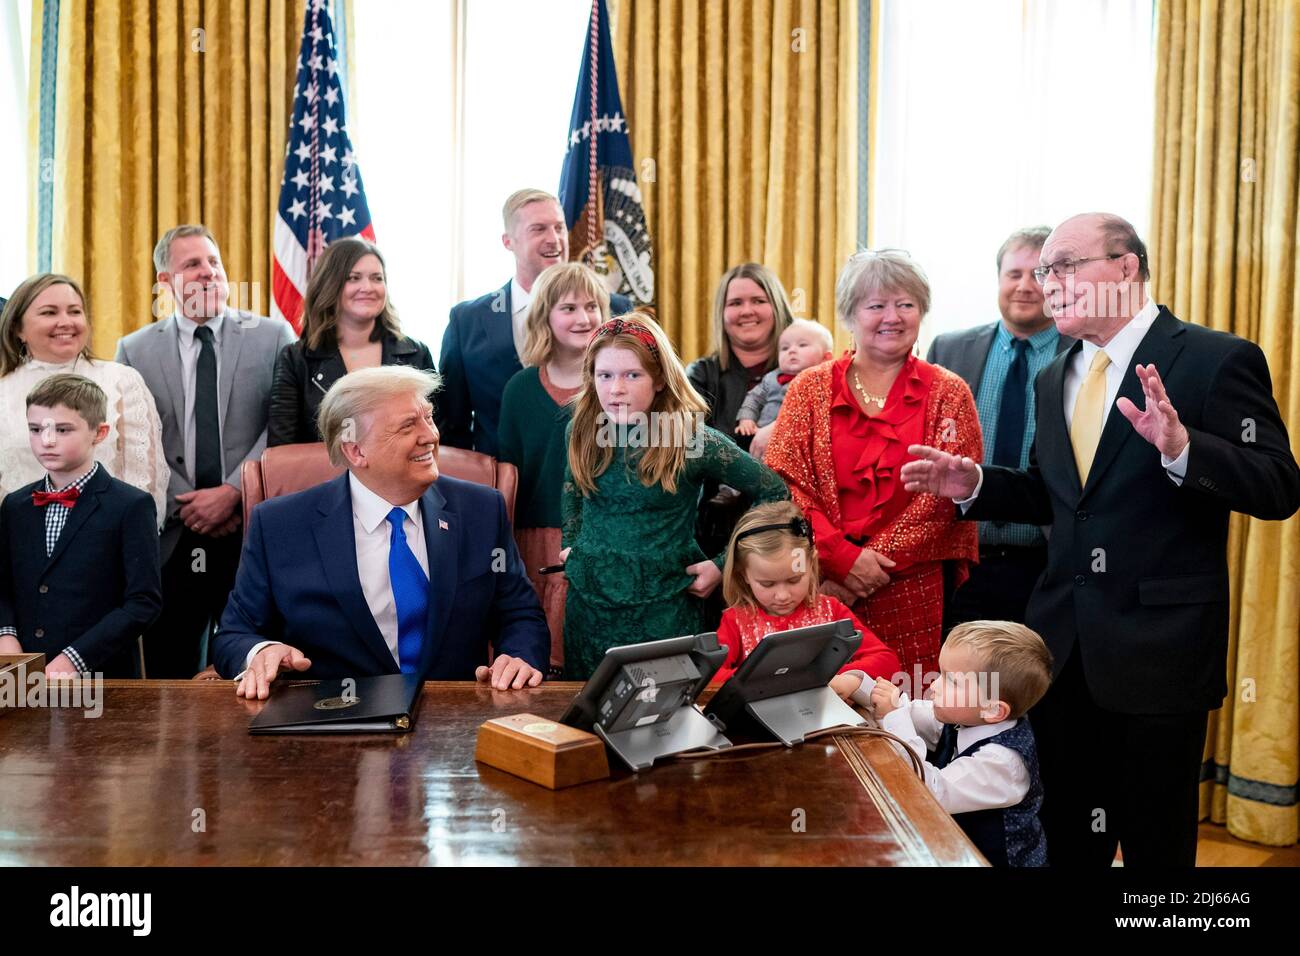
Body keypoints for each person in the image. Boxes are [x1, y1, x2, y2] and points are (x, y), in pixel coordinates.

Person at [901, 212, 1300, 867]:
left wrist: (1183, 449)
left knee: (1155, 843)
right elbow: (1053, 495)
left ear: (1126, 268)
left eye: (1064, 266)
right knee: (1067, 833)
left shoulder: (1212, 358)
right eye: (1041, 270)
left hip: (1159, 653)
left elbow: (1280, 486)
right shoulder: (1053, 372)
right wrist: (975, 483)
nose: (1046, 282)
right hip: (1061, 649)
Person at [211, 365, 549, 697]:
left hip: (454, 722)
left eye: (428, 417)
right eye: (407, 426)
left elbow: (520, 615)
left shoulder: (480, 510)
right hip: (334, 725)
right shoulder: (280, 525)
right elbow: (234, 635)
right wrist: (261, 652)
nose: (430, 435)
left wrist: (518, 656)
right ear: (356, 450)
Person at [764, 249, 981, 684]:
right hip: (816, 580)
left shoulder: (949, 391)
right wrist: (843, 560)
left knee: (904, 711)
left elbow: (948, 494)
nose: (893, 317)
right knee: (814, 704)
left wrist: (869, 566)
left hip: (911, 587)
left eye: (906, 304)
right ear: (849, 314)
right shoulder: (809, 388)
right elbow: (784, 485)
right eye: (876, 305)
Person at [559, 314, 789, 681]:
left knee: (664, 721)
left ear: (660, 379)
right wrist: (570, 546)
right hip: (589, 610)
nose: (616, 388)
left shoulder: (694, 441)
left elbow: (774, 493)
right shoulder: (582, 429)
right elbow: (573, 491)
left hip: (667, 609)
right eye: (605, 375)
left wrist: (723, 563)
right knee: (587, 721)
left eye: (632, 375)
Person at [116, 224, 296, 678]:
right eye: (192, 264)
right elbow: (132, 438)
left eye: (213, 262)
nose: (208, 273)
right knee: (169, 668)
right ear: (165, 281)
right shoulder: (134, 350)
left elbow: (283, 428)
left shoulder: (273, 337)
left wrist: (233, 491)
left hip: (251, 526)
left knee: (249, 664)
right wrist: (188, 500)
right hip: (174, 530)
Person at [928, 227, 1073, 628]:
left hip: (1047, 566)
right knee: (962, 689)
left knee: (1037, 687)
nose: (1025, 287)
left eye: (1039, 274)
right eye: (1014, 274)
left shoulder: (1082, 356)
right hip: (962, 565)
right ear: (998, 279)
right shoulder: (949, 349)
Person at [437, 188, 631, 457]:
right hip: (498, 488)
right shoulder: (467, 321)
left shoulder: (615, 308)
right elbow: (451, 426)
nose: (554, 239)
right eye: (538, 229)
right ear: (508, 241)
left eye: (559, 228)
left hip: (597, 475)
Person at [0, 374, 162, 677]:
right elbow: (3, 585)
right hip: (19, 676)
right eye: (36, 429)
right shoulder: (15, 505)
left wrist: (74, 658)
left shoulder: (131, 505)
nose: (47, 441)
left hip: (101, 676)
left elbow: (143, 601)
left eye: (63, 430)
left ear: (99, 432)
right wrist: (5, 636)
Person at [861, 620, 1052, 867]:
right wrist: (860, 686)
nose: (934, 685)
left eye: (952, 681)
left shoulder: (1003, 762)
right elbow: (906, 711)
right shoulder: (967, 716)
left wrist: (892, 716)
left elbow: (927, 792)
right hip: (956, 851)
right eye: (940, 673)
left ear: (993, 709)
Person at [497, 263, 610, 673]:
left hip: (602, 535)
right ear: (544, 315)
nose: (583, 318)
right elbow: (508, 476)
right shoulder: (520, 389)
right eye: (569, 308)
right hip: (534, 538)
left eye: (592, 306)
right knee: (541, 650)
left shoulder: (616, 385)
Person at [0, 274, 168, 520]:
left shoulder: (122, 381)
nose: (65, 322)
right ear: (18, 328)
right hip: (21, 547)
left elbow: (144, 481)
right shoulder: (3, 391)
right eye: (49, 313)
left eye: (75, 311)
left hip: (106, 542)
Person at [712, 501, 899, 689]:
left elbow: (886, 661)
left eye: (794, 580)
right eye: (767, 584)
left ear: (811, 564)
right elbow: (711, 676)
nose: (783, 595)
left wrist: (846, 678)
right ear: (743, 574)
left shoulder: (830, 610)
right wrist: (768, 678)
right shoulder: (736, 620)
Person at [268, 238, 435, 446]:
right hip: (323, 476)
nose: (368, 287)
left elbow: (437, 438)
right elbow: (281, 453)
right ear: (330, 285)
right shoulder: (295, 359)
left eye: (377, 278)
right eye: (354, 278)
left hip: (401, 477)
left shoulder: (417, 354)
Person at [735, 318, 834, 451]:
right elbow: (753, 399)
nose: (791, 351)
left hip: (800, 446)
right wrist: (746, 419)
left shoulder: (823, 382)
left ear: (825, 358)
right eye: (785, 348)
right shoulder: (770, 379)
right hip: (759, 440)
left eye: (802, 345)